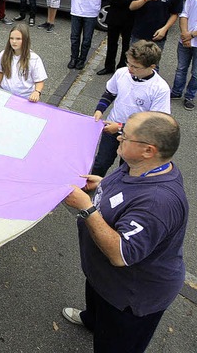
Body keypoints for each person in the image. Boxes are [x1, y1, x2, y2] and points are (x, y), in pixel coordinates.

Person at [63, 111, 187, 353]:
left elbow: (120, 254)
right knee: (98, 307)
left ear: (149, 150)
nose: (119, 138)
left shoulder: (157, 203)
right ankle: (93, 321)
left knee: (115, 345)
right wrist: (102, 184)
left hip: (130, 297)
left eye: (125, 136)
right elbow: (126, 189)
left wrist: (86, 208)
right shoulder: (140, 165)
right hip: (104, 280)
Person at [91, 40, 170, 177]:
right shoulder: (122, 73)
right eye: (128, 63)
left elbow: (155, 123)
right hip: (111, 128)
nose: (129, 69)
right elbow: (110, 93)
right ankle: (90, 187)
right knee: (101, 163)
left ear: (152, 66)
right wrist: (99, 110)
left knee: (127, 168)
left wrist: (120, 127)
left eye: (135, 66)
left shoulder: (160, 89)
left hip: (136, 137)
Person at [129, 0, 183, 67]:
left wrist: (164, 29)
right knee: (134, 62)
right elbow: (132, 6)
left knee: (153, 65)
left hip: (158, 36)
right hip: (139, 33)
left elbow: (175, 14)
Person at [0, 23, 47, 101]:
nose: (14, 41)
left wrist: (37, 92)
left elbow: (39, 81)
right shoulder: (3, 54)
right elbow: (0, 72)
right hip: (4, 95)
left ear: (25, 40)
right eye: (11, 38)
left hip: (24, 98)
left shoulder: (34, 59)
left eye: (18, 39)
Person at [170, 0, 197, 111]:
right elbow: (184, 14)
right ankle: (176, 92)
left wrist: (190, 36)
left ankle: (189, 96)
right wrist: (185, 34)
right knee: (181, 68)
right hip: (185, 39)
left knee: (196, 73)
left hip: (190, 37)